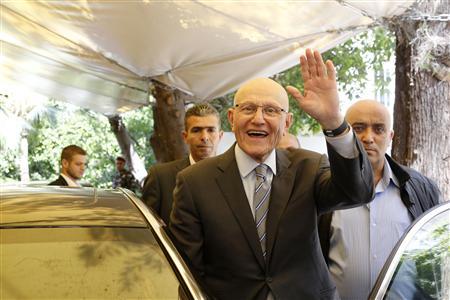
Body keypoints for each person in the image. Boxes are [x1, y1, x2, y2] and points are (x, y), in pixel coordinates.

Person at [169, 49, 374, 300]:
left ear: (287, 123)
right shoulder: (194, 182)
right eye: (248, 109)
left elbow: (357, 192)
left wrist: (333, 123)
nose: (258, 119)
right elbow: (188, 273)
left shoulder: (309, 167)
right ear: (232, 119)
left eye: (271, 110)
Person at [318, 99, 441, 300]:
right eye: (358, 128)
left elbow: (434, 260)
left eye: (379, 129)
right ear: (346, 134)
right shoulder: (323, 187)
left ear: (390, 136)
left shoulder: (421, 189)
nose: (368, 137)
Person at [142, 102, 223, 224]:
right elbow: (147, 230)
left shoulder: (234, 176)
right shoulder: (160, 177)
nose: (204, 137)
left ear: (220, 136)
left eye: (211, 130)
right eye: (196, 130)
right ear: (185, 136)